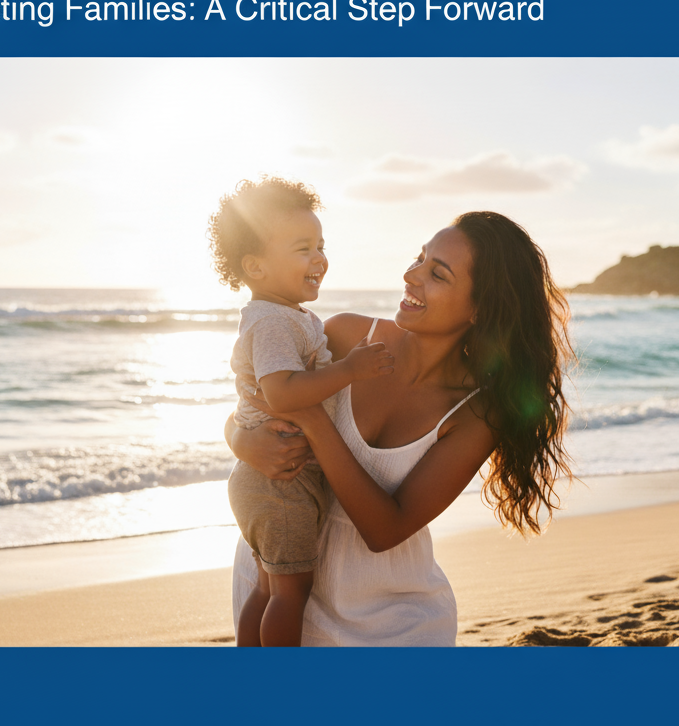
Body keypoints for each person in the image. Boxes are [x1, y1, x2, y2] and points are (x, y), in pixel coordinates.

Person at [225, 210, 573, 646]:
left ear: (481, 308)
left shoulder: (475, 414)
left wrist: (314, 422)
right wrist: (241, 440)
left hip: (386, 622)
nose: (411, 275)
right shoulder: (346, 335)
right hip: (277, 588)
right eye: (419, 258)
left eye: (437, 273)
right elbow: (257, 402)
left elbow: (385, 531)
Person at [209, 177, 395, 646]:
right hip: (277, 483)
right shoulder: (273, 322)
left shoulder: (288, 316)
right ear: (255, 266)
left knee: (272, 587)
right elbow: (282, 394)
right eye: (302, 249)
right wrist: (351, 369)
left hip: (272, 479)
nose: (319, 259)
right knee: (291, 592)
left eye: (321, 246)